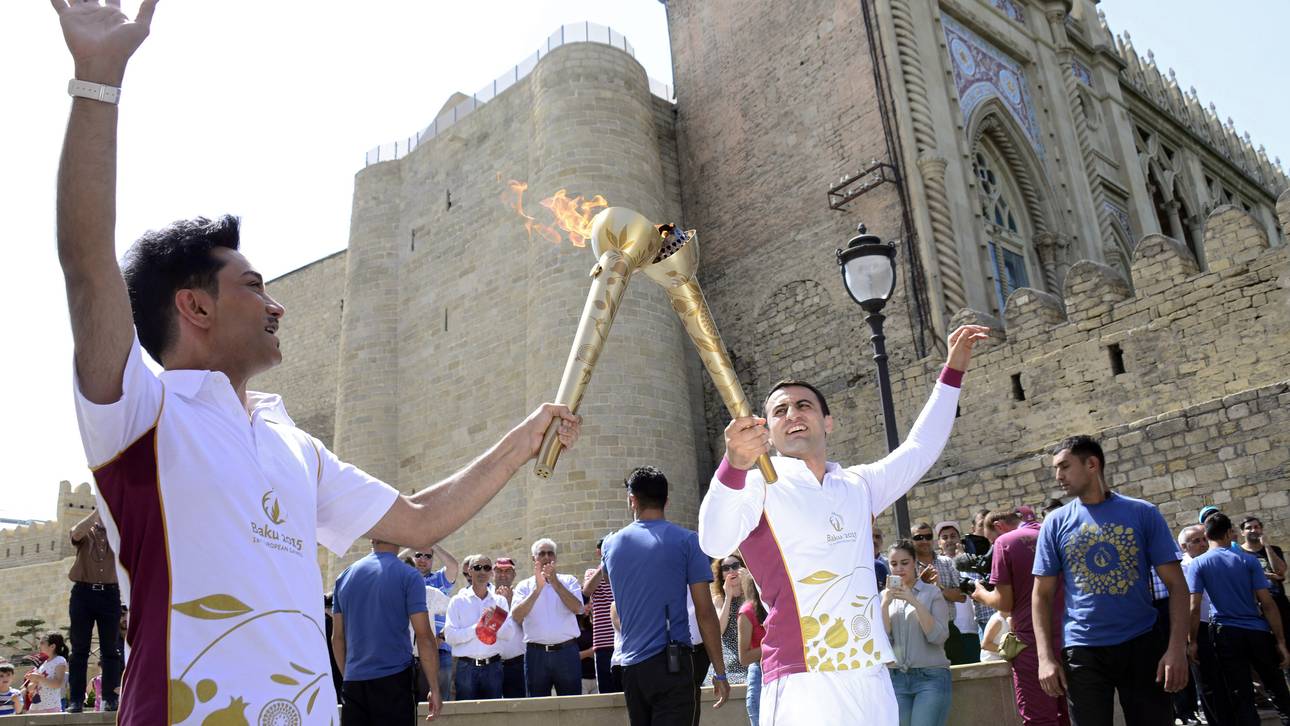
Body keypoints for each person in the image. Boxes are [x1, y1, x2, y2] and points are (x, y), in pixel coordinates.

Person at [47, 3, 582, 722]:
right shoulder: (140, 413)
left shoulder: (291, 442)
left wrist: (523, 442)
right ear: (195, 308)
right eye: (254, 286)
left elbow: (420, 519)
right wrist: (98, 79)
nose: (278, 306)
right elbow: (87, 267)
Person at [699, 324, 987, 723]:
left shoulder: (858, 485)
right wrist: (733, 464)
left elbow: (920, 448)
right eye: (779, 411)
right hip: (802, 677)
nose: (792, 415)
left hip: (868, 670)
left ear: (827, 422)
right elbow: (713, 541)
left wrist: (952, 372)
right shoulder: (755, 484)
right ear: (766, 432)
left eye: (803, 406)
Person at [1032, 436, 1189, 726]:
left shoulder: (1143, 513)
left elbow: (1178, 586)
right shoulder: (1055, 524)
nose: (1058, 476)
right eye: (1055, 469)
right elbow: (1041, 595)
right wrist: (1045, 658)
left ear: (1092, 464)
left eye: (1064, 466)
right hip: (1083, 648)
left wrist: (1177, 648)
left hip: (1142, 643)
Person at [603, 466, 729, 725]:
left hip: (632, 669)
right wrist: (720, 671)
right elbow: (705, 612)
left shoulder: (610, 545)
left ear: (632, 500)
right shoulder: (687, 541)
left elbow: (610, 585)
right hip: (672, 665)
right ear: (667, 501)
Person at [1186, 512, 1290, 726]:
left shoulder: (1199, 564)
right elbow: (1267, 603)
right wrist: (1280, 641)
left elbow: (1194, 608)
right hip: (1258, 631)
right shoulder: (1248, 560)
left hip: (1226, 634)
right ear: (1228, 533)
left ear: (1207, 535)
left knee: (1241, 695)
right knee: (1278, 688)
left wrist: (1192, 640)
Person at [971, 509, 1068, 726]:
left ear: (999, 526)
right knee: (1071, 715)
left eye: (989, 541)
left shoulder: (1005, 542)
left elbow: (1005, 604)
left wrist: (980, 594)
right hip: (1072, 637)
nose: (990, 549)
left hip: (1032, 642)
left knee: (1039, 719)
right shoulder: (1055, 531)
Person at [332, 539, 441, 724]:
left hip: (354, 683)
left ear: (372, 539)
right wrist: (435, 688)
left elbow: (338, 639)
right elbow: (424, 637)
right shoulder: (409, 575)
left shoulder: (344, 576)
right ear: (398, 537)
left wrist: (349, 677)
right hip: (394, 682)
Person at [883, 540, 952, 726]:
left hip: (931, 677)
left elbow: (938, 636)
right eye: (894, 563)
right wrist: (884, 604)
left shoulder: (932, 593)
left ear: (914, 562)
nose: (899, 568)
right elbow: (883, 643)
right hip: (897, 678)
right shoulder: (884, 597)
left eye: (904, 563)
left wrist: (914, 601)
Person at [511, 539, 584, 696]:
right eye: (541, 553)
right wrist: (537, 589)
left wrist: (555, 582)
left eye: (550, 553)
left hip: (566, 653)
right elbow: (516, 616)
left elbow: (578, 608)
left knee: (572, 706)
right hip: (536, 655)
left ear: (555, 558)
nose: (546, 557)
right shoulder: (524, 586)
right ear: (533, 559)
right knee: (537, 708)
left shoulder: (569, 581)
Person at [65, 510, 122, 713]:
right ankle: (76, 700)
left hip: (110, 594)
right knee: (79, 649)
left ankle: (110, 698)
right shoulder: (87, 531)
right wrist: (98, 511)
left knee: (110, 649)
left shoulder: (117, 533)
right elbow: (75, 534)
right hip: (83, 593)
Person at [444, 555, 515, 700]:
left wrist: (493, 621)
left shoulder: (500, 601)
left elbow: (509, 634)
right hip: (465, 668)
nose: (482, 571)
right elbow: (450, 636)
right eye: (477, 567)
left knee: (493, 715)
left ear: (491, 573)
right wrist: (479, 626)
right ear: (469, 571)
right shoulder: (457, 601)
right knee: (467, 717)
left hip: (493, 667)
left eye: (487, 568)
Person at [411, 545, 460, 703]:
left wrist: (433, 544)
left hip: (439, 652)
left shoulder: (439, 580)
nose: (423, 560)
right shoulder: (404, 582)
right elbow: (392, 563)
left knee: (440, 701)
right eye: (419, 555)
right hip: (410, 654)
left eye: (428, 556)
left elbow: (453, 566)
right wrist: (412, 544)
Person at [1175, 525, 1213, 726]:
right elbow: (1190, 606)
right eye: (1196, 541)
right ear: (1183, 546)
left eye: (1204, 539)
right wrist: (1191, 639)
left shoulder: (1212, 562)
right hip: (1199, 628)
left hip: (1219, 624)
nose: (1202, 544)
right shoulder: (1183, 568)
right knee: (1205, 681)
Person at [1239, 515, 1290, 644]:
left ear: (1261, 529)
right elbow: (1243, 576)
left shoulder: (1274, 549)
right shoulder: (1239, 553)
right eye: (1248, 528)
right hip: (1257, 606)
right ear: (1242, 532)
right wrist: (1270, 576)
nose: (1253, 530)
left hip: (1279, 602)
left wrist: (1267, 546)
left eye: (1256, 527)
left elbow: (1280, 571)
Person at [934, 521, 979, 665]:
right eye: (945, 537)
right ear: (939, 543)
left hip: (970, 630)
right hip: (948, 631)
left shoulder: (971, 561)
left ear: (959, 539)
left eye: (953, 536)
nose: (949, 540)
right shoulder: (936, 566)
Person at [584, 536, 621, 694]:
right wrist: (604, 565)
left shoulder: (623, 571)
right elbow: (586, 591)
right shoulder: (592, 572)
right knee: (607, 692)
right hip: (603, 644)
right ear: (599, 552)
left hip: (624, 642)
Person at [491, 557, 526, 698]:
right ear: (493, 573)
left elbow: (528, 626)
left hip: (516, 664)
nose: (503, 574)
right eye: (499, 570)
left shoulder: (523, 595)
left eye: (507, 571)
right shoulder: (485, 596)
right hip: (491, 664)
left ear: (514, 575)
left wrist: (510, 603)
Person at [710, 555, 749, 685]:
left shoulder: (754, 595)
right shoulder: (719, 599)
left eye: (735, 566)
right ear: (721, 575)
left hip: (751, 656)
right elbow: (719, 630)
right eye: (726, 568)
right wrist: (728, 597)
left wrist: (748, 585)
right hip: (729, 661)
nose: (731, 571)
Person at [737, 570, 766, 726]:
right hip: (759, 672)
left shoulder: (778, 606)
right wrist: (772, 645)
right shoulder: (747, 612)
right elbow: (744, 657)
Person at [23, 633, 69, 715]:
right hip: (36, 707)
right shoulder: (43, 664)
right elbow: (30, 688)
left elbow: (57, 684)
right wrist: (33, 680)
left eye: (42, 643)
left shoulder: (59, 660)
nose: (39, 646)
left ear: (52, 646)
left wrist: (39, 678)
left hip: (51, 707)